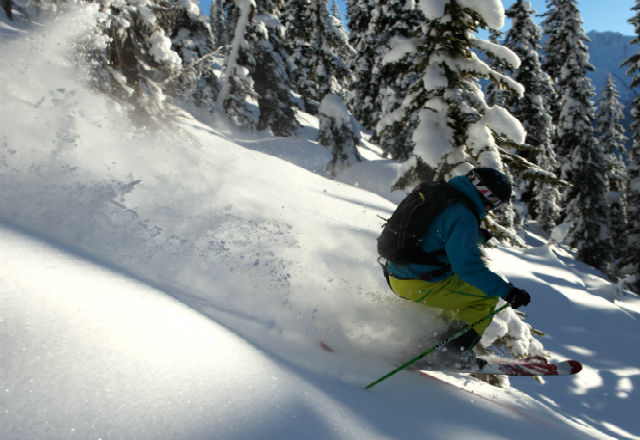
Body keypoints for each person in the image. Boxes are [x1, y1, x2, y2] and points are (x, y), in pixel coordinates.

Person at [386, 167, 531, 369]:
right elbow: (468, 268)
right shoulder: (463, 216)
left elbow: (433, 232)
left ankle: (431, 344)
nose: (492, 209)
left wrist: (474, 237)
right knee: (484, 299)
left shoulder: (439, 193)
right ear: (486, 196)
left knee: (458, 292)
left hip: (397, 271)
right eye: (495, 203)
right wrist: (508, 291)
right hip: (417, 282)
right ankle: (451, 352)